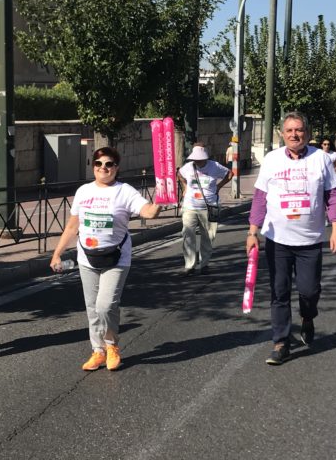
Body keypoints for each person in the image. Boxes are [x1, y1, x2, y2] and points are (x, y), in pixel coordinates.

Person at [50, 147, 163, 372]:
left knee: (105, 306)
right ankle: (98, 351)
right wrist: (57, 253)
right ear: (93, 166)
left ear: (116, 168)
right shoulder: (83, 191)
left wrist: (162, 196)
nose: (103, 168)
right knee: (92, 308)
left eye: (109, 164)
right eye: (98, 164)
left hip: (117, 257)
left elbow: (149, 213)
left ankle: (111, 345)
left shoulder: (124, 191)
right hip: (87, 257)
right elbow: (72, 226)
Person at [247, 111, 336, 365]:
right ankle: (281, 342)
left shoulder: (321, 158)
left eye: (299, 130)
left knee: (309, 291)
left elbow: (333, 194)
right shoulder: (272, 159)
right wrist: (253, 231)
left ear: (307, 133)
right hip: (277, 239)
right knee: (279, 291)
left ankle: (308, 317)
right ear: (282, 134)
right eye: (289, 130)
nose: (294, 135)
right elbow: (260, 198)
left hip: (310, 240)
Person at [178, 145, 231, 274]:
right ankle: (189, 265)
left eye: (200, 159)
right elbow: (179, 174)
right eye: (195, 159)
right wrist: (185, 187)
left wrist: (219, 187)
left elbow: (230, 174)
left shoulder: (215, 166)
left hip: (210, 207)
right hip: (190, 206)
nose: (197, 161)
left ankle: (204, 264)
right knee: (187, 234)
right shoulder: (188, 167)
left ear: (205, 158)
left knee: (208, 236)